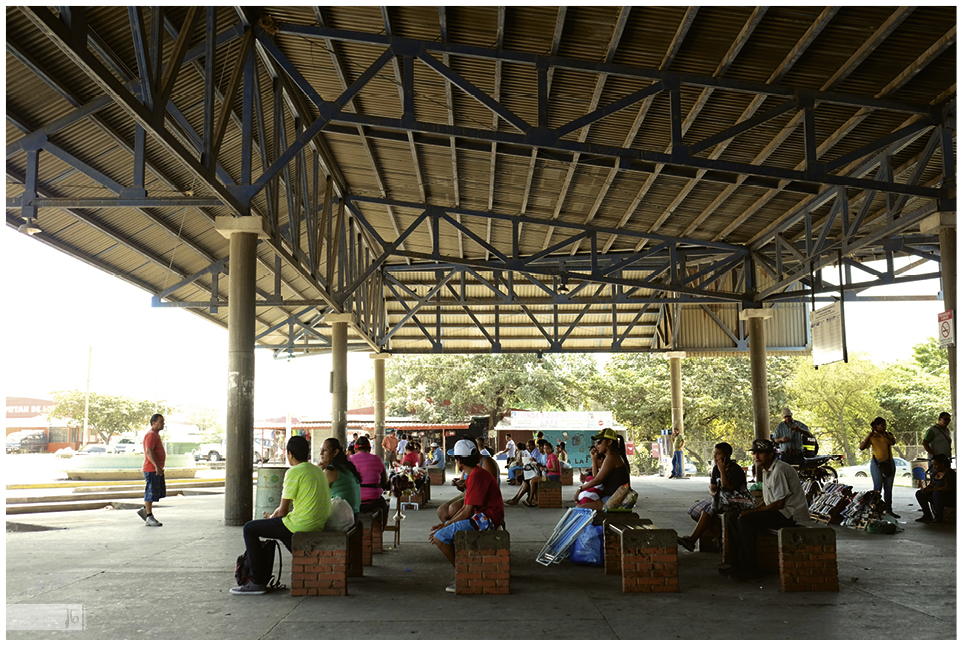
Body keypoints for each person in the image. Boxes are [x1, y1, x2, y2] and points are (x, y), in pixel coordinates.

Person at [231, 436, 331, 595]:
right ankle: (303, 558)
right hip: (317, 523)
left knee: (250, 529)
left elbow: (282, 511)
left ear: (290, 454)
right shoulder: (317, 471)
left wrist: (272, 518)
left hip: (301, 524)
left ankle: (256, 581)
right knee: (280, 530)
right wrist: (275, 517)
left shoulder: (294, 472)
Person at [723, 439, 809, 582]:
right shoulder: (766, 470)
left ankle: (751, 570)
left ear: (770, 455)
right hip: (778, 511)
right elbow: (767, 500)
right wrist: (752, 510)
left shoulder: (779, 470)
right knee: (732, 517)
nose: (756, 456)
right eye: (754, 453)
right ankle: (737, 564)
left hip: (790, 515)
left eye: (761, 453)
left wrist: (750, 514)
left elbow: (779, 504)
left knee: (745, 520)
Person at [429, 438, 505, 593]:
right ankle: (467, 570)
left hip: (487, 518)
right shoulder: (475, 474)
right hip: (485, 516)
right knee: (443, 532)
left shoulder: (476, 476)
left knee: (439, 537)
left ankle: (464, 574)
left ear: (459, 461)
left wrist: (446, 525)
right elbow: (466, 508)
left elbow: (467, 511)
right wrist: (447, 524)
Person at [678, 442, 752, 551]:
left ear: (726, 456)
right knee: (694, 511)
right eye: (714, 453)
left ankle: (692, 540)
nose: (714, 457)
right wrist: (715, 495)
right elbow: (712, 488)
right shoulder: (715, 469)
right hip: (720, 499)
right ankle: (719, 535)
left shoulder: (735, 470)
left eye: (718, 454)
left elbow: (727, 488)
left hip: (734, 500)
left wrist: (722, 471)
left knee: (707, 511)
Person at [575, 428, 630, 511]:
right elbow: (596, 477)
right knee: (582, 505)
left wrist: (580, 489)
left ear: (609, 442)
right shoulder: (611, 456)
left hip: (615, 499)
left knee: (579, 509)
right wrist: (594, 458)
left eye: (599, 442)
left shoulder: (612, 457)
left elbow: (597, 480)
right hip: (612, 497)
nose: (597, 445)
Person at [860, 417, 899, 518]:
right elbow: (862, 447)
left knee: (888, 488)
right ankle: (876, 510)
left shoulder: (888, 434)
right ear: (876, 426)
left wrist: (881, 434)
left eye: (885, 425)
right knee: (877, 487)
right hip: (877, 463)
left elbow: (891, 442)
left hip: (889, 462)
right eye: (882, 425)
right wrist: (869, 435)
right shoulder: (872, 437)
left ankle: (889, 509)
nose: (884, 427)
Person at [348, 436, 389, 526]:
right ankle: (381, 529)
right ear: (370, 449)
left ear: (356, 449)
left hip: (354, 501)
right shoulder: (378, 459)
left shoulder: (350, 460)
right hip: (374, 501)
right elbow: (384, 481)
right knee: (385, 508)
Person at [318, 437, 362, 518]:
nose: (321, 453)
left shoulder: (330, 471)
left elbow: (315, 493)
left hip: (342, 519)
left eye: (325, 450)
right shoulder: (346, 467)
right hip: (354, 515)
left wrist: (317, 471)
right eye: (321, 450)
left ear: (335, 452)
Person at [138, 414, 166, 527]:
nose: (163, 423)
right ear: (153, 423)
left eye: (163, 421)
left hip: (155, 469)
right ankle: (149, 516)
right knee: (150, 492)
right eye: (160, 421)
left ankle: (145, 510)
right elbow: (149, 452)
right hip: (151, 469)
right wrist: (156, 467)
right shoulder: (150, 435)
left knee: (156, 492)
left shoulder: (156, 435)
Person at [916, 454, 956, 523]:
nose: (934, 467)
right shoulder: (935, 474)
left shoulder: (950, 473)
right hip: (936, 496)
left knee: (937, 493)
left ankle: (939, 517)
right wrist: (926, 489)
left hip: (949, 498)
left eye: (936, 465)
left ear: (942, 464)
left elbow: (948, 488)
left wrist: (933, 490)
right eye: (933, 465)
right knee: (919, 494)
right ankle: (927, 515)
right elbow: (932, 484)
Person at [505, 440, 539, 506]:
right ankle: (515, 498)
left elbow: (538, 464)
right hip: (532, 472)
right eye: (528, 446)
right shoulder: (531, 452)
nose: (528, 447)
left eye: (530, 445)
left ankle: (518, 499)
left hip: (535, 473)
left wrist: (534, 462)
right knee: (523, 480)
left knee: (526, 482)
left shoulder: (536, 453)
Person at [529, 440, 561, 506]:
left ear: (551, 449)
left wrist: (546, 469)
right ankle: (535, 499)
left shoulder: (553, 456)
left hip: (553, 476)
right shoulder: (548, 457)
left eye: (547, 448)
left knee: (533, 481)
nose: (546, 450)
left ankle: (530, 500)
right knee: (533, 480)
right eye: (544, 448)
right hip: (549, 475)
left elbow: (555, 469)